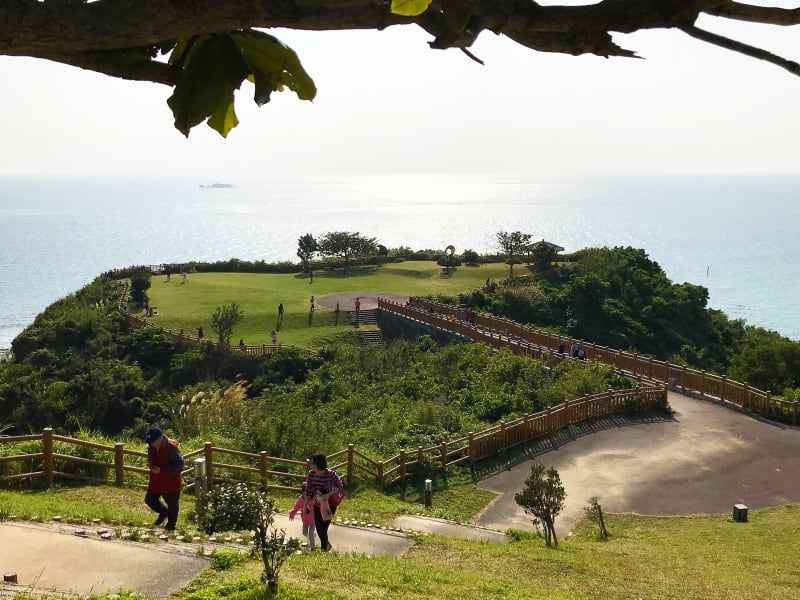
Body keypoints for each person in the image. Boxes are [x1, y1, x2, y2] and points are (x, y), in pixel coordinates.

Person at [144, 426, 184, 532]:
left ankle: (170, 528)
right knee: (149, 500)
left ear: (159, 438)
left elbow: (179, 464)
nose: (150, 444)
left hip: (170, 481)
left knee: (172, 505)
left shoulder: (172, 447)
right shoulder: (151, 446)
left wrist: (163, 471)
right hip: (156, 480)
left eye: (152, 441)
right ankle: (163, 512)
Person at [304, 452, 343, 552]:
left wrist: (328, 494)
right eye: (310, 463)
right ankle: (327, 545)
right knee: (318, 529)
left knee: (323, 529)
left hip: (330, 506)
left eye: (313, 463)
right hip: (317, 505)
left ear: (319, 464)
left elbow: (339, 486)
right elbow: (308, 491)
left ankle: (323, 550)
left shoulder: (330, 474)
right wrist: (305, 506)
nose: (310, 465)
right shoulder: (311, 474)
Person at [289, 483, 316, 550]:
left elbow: (320, 506)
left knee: (310, 533)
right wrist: (292, 513)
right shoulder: (301, 499)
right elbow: (296, 506)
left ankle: (313, 548)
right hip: (305, 519)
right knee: (304, 533)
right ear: (302, 492)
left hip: (314, 520)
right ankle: (312, 537)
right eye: (305, 492)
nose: (307, 494)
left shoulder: (314, 499)